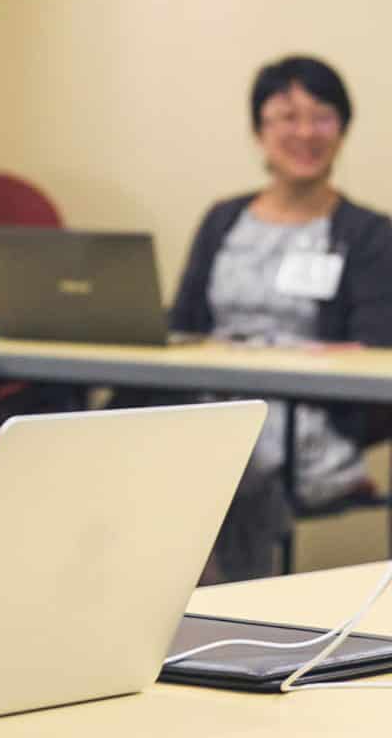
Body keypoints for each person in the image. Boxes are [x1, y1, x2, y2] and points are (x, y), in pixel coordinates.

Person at [168, 54, 392, 581]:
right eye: (286, 117)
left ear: (342, 131)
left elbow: (375, 346)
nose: (305, 132)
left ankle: (222, 604)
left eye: (321, 117)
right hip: (210, 398)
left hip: (307, 418)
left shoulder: (368, 234)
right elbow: (183, 324)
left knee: (219, 454)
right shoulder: (223, 219)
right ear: (259, 131)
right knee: (133, 433)